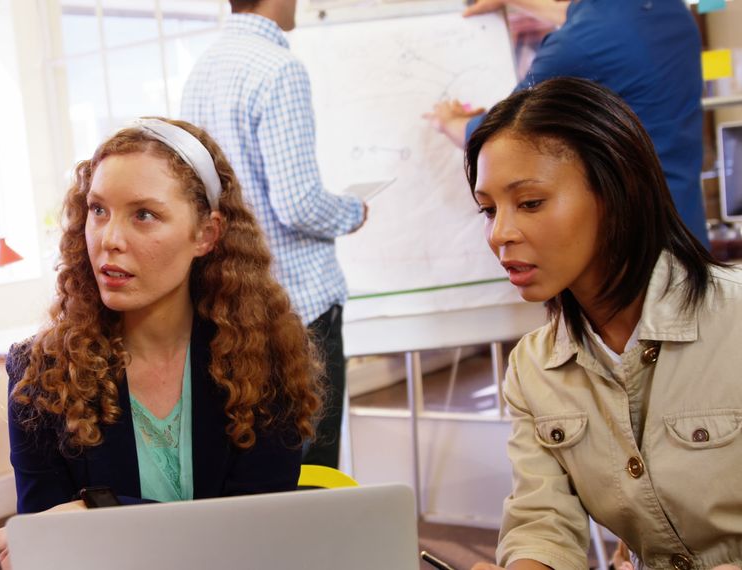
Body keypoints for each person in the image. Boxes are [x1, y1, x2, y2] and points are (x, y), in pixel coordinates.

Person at [0, 117, 323, 568]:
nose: (109, 240)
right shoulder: (40, 372)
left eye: (144, 215)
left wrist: (100, 513)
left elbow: (254, 541)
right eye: (98, 209)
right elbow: (50, 548)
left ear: (206, 234)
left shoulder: (264, 361)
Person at [466, 77, 741, 570]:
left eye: (529, 203)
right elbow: (542, 522)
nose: (500, 234)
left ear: (616, 191)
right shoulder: (533, 368)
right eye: (488, 210)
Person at [180, 0, 367, 469]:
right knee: (314, 466)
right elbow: (298, 203)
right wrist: (352, 210)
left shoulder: (202, 69)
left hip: (235, 301)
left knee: (261, 464)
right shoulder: (279, 68)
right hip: (300, 306)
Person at [427, 0, 709, 248]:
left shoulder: (579, 44)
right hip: (687, 229)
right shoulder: (670, 10)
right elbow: (593, 22)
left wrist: (450, 121)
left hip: (634, 243)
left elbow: (502, 133)